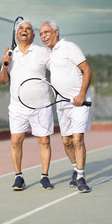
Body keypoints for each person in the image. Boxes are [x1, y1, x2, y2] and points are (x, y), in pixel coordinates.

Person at [0, 20, 54, 191]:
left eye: (28, 29)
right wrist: (4, 63)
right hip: (17, 107)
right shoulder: (10, 54)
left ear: (33, 34)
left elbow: (57, 70)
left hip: (41, 106)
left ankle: (44, 177)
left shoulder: (42, 52)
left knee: (44, 141)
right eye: (21, 29)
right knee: (16, 141)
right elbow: (2, 80)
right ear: (16, 34)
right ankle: (18, 177)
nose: (24, 31)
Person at [39, 21, 92, 193]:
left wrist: (81, 95)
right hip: (62, 105)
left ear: (56, 32)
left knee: (77, 139)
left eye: (46, 32)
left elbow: (87, 70)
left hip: (79, 102)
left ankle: (81, 177)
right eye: (40, 34)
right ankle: (76, 169)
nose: (43, 36)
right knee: (66, 141)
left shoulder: (69, 47)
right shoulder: (49, 53)